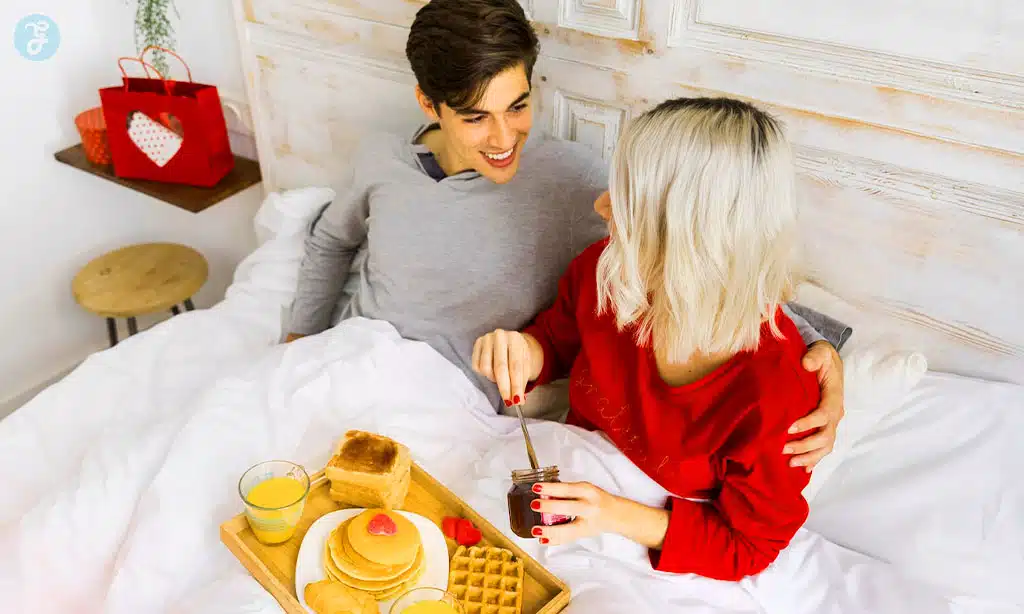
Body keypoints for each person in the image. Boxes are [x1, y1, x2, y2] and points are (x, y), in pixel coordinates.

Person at [284, 0, 848, 469]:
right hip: (345, 358)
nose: (504, 137)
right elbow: (332, 242)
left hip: (443, 405)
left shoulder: (579, 182)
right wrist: (296, 341)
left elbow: (709, 252)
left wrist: (821, 356)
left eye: (519, 106)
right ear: (428, 104)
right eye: (476, 116)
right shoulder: (379, 159)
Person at [472, 97, 823, 579]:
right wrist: (520, 353)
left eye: (626, 197)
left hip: (660, 546)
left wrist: (612, 513)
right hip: (568, 482)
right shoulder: (605, 271)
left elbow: (747, 548)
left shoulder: (777, 393)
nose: (600, 206)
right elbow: (555, 343)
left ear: (688, 229)